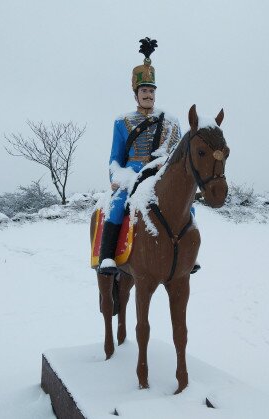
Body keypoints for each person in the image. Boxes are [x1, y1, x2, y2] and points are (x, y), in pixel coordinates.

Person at [98, 37, 199, 275]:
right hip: (131, 174)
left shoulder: (171, 121)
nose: (148, 95)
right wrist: (116, 178)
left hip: (160, 172)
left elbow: (177, 156)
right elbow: (115, 158)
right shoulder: (122, 121)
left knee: (188, 208)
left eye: (151, 91)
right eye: (143, 90)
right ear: (136, 94)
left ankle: (189, 257)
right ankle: (107, 257)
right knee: (118, 204)